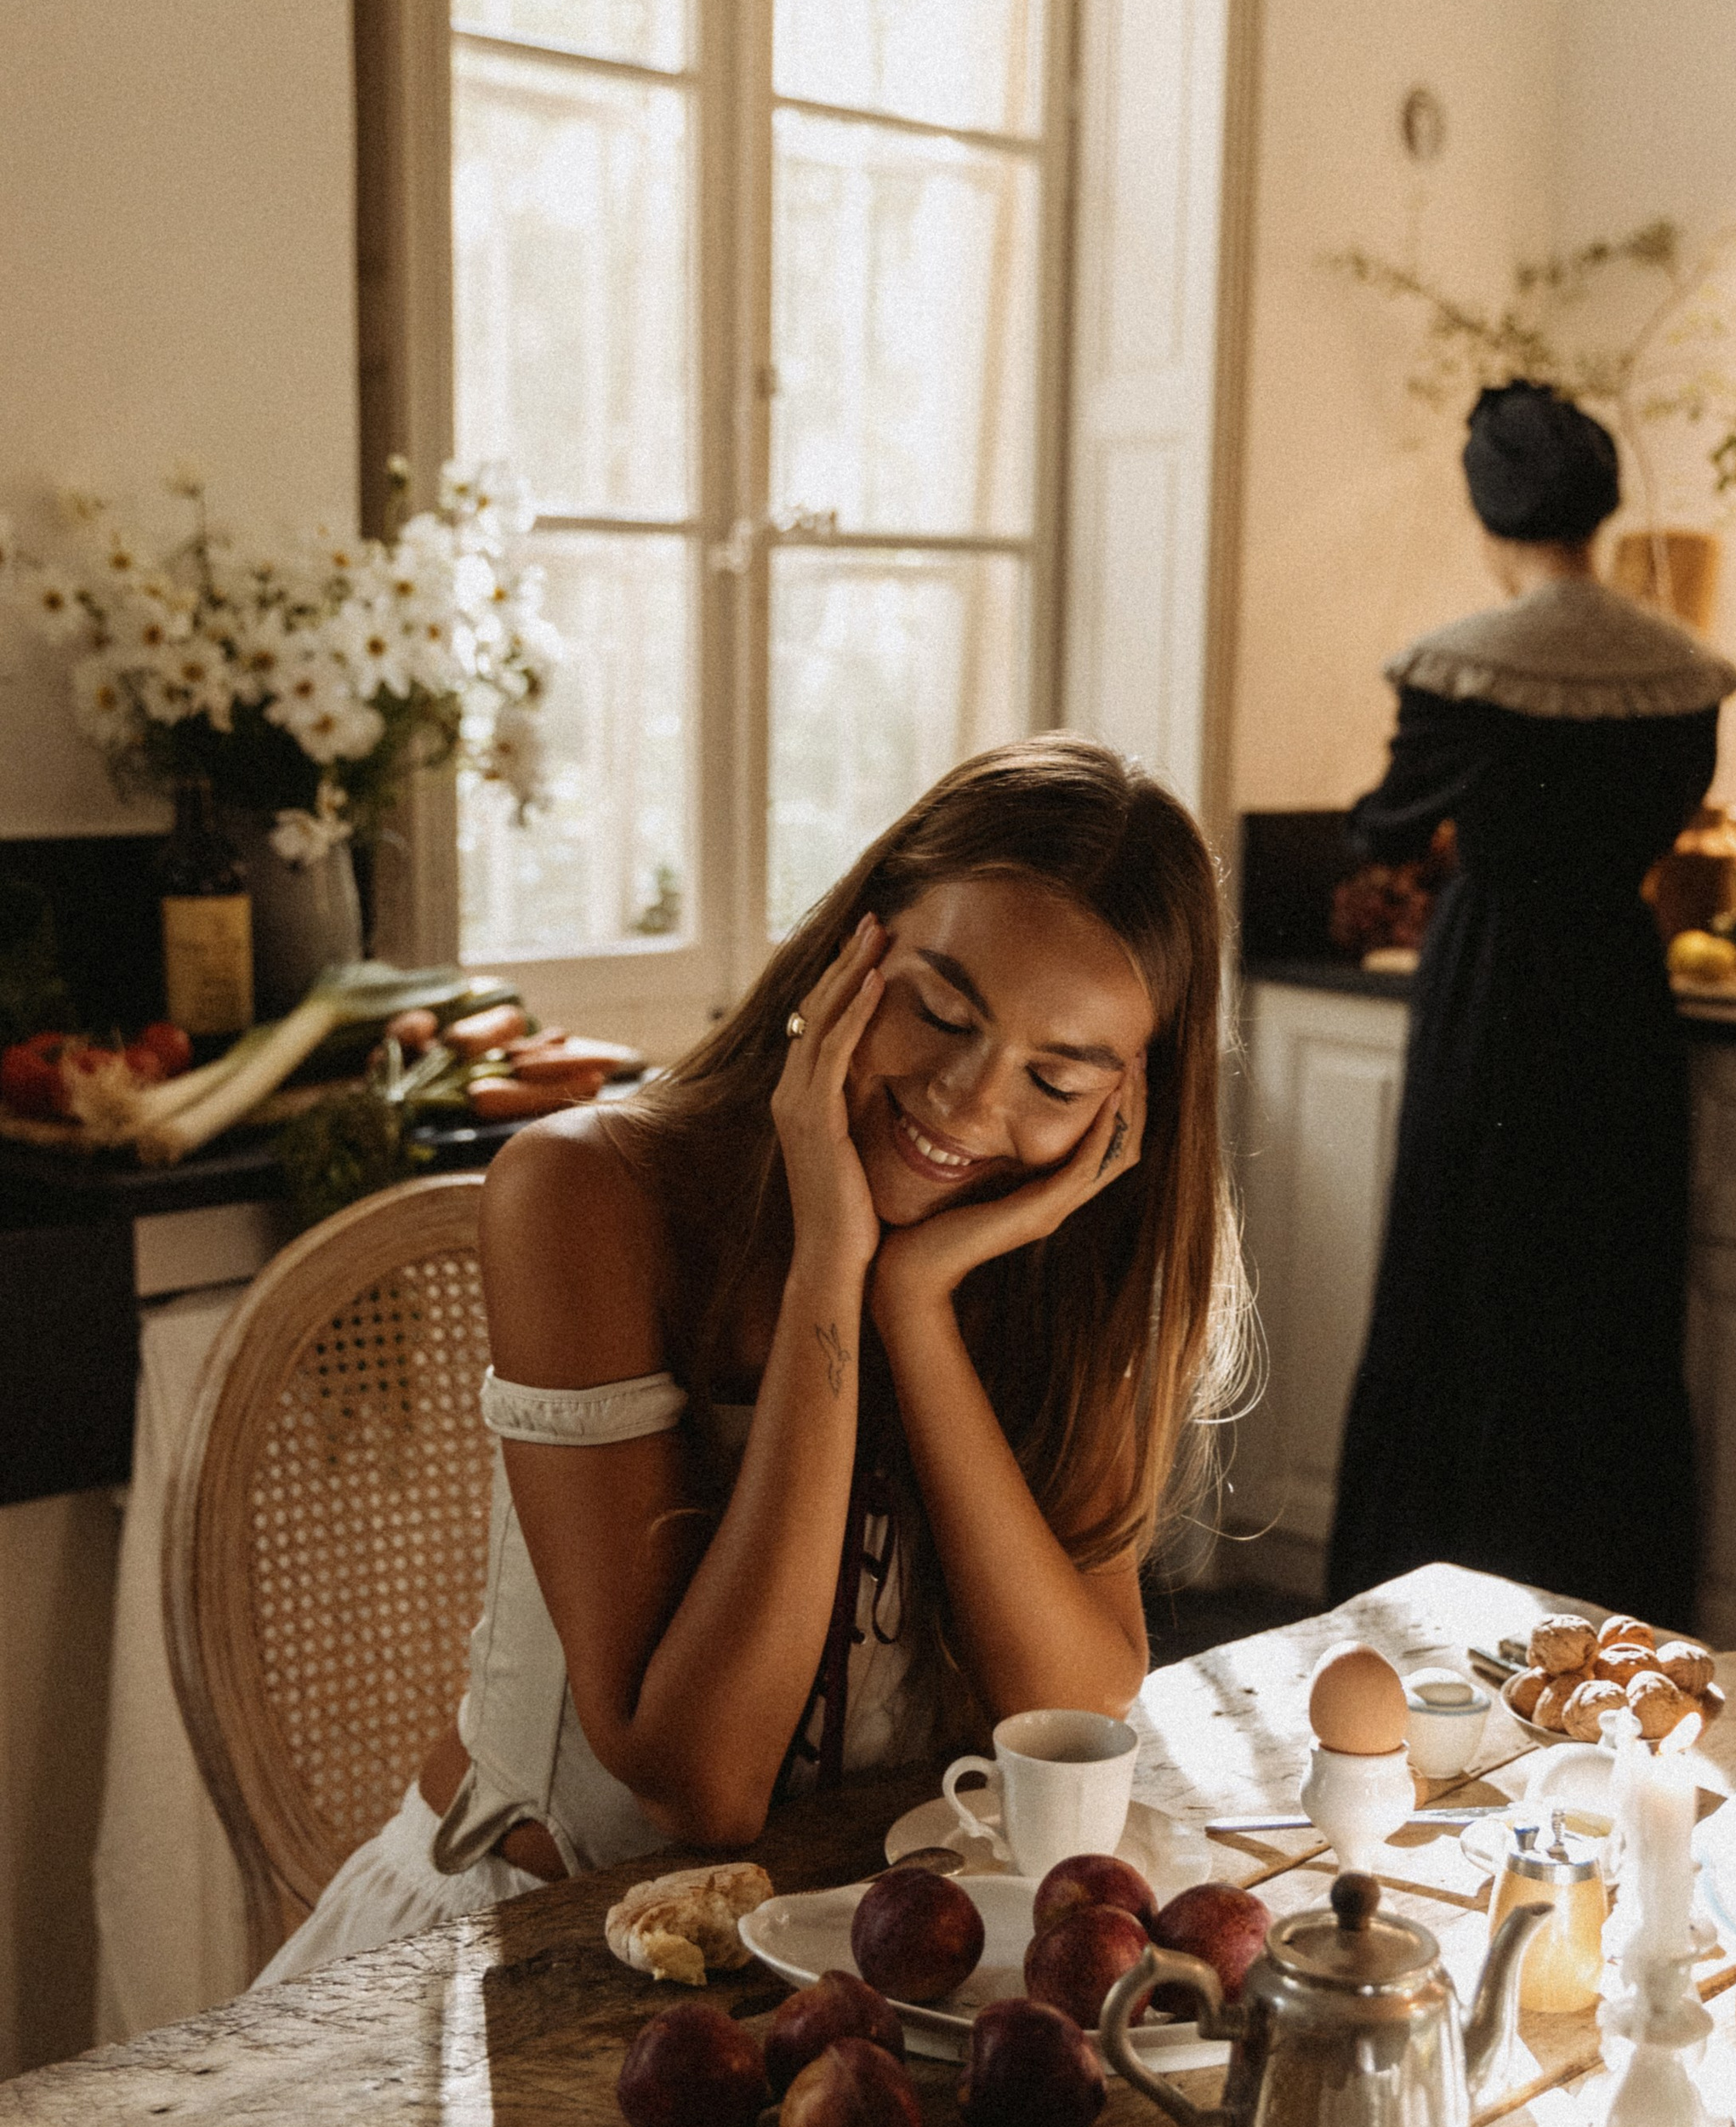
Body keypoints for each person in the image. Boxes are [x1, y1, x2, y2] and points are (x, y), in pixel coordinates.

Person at [260, 735, 1245, 1980]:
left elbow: (1069, 1711)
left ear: (1126, 1106)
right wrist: (829, 1268)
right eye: (939, 1011)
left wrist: (916, 1305)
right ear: (855, 954)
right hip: (524, 1958)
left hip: (865, 1960)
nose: (966, 1102)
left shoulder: (1078, 1265)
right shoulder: (586, 1192)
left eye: (1055, 1079)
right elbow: (703, 1786)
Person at [1324, 381, 1736, 1633]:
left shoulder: (1459, 667)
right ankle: (1606, 1610)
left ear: (1487, 508)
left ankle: (1422, 1600)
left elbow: (1384, 824)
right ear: (1601, 504)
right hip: (1621, 991)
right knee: (1601, 1302)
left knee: (1465, 1287)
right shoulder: (1684, 673)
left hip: (1495, 991)